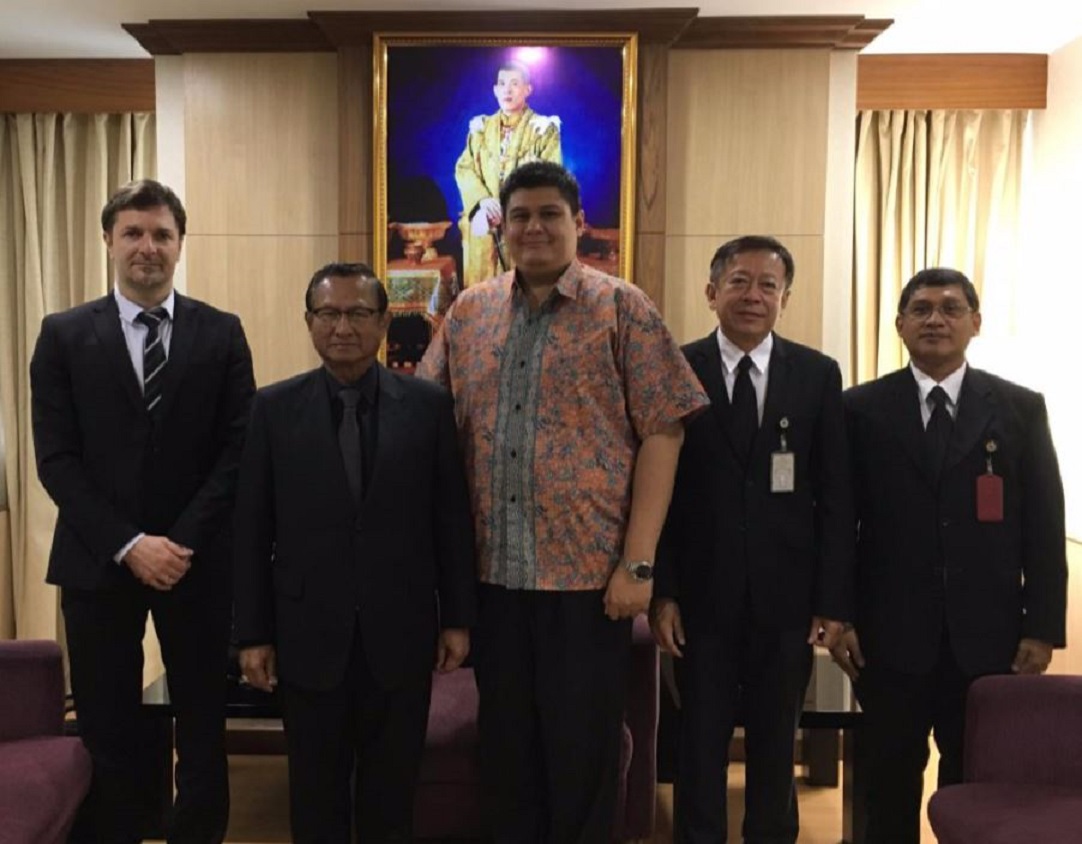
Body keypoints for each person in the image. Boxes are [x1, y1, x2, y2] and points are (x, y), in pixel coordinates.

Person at [417, 161, 709, 842]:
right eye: (519, 216)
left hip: (588, 583)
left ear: (578, 224)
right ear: (501, 228)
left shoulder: (621, 306)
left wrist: (638, 564)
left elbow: (664, 430)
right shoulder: (470, 312)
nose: (534, 227)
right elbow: (427, 419)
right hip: (493, 579)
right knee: (507, 756)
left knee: (584, 758)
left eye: (550, 214)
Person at [30, 179, 255, 843]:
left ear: (180, 244)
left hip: (198, 562)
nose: (147, 247)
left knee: (204, 722)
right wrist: (131, 544)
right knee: (107, 725)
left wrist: (177, 543)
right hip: (98, 561)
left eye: (161, 234)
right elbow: (56, 460)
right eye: (133, 232)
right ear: (108, 241)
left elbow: (238, 451)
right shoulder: (63, 335)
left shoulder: (222, 332)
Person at [232, 262, 476, 843]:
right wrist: (252, 633)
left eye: (360, 313)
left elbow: (451, 521)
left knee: (391, 794)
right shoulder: (272, 409)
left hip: (402, 632)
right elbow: (250, 528)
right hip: (307, 634)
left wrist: (460, 620)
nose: (344, 326)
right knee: (315, 794)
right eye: (330, 314)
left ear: (385, 322)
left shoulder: (427, 406)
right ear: (310, 322)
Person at [832, 267, 1067, 844]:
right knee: (886, 784)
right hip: (888, 637)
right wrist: (836, 616)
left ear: (975, 323)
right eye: (921, 308)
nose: (935, 319)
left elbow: (1043, 526)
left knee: (977, 783)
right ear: (900, 325)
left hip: (989, 638)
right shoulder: (859, 409)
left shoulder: (1018, 408)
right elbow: (838, 522)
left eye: (951, 308)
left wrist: (1041, 628)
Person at [651, 236, 854, 843]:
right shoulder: (674, 367)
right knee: (699, 739)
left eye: (768, 285)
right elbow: (655, 498)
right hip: (700, 600)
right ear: (711, 292)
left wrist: (833, 601)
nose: (753, 295)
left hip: (785, 601)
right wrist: (663, 593)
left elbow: (836, 498)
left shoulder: (817, 375)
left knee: (775, 740)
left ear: (785, 299)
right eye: (739, 281)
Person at [453, 59, 562, 291]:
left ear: (527, 89)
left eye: (514, 83)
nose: (507, 90)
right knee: (483, 299)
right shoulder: (481, 129)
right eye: (502, 84)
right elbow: (464, 168)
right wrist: (482, 201)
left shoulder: (543, 129)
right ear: (495, 90)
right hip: (486, 223)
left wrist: (514, 206)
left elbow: (553, 176)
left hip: (524, 223)